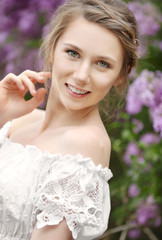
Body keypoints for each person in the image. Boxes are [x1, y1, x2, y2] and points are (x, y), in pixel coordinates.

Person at [0, 0, 139, 239]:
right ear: (52, 48)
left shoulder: (84, 145)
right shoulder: (20, 120)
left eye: (102, 64)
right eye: (73, 53)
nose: (82, 75)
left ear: (121, 74)